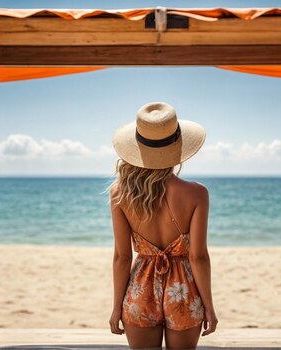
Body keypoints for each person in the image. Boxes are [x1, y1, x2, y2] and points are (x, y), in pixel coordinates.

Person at [108, 102, 218, 349]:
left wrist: (117, 308)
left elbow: (122, 258)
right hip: (184, 290)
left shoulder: (120, 194)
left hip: (139, 289)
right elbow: (198, 257)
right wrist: (209, 307)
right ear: (178, 147)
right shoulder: (197, 194)